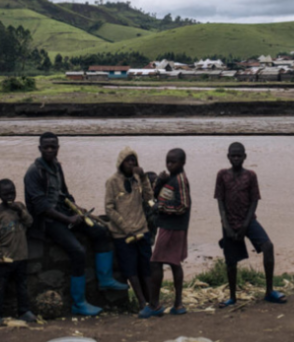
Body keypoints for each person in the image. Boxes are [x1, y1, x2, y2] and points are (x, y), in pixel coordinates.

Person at [24, 132, 127, 317]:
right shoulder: (33, 172)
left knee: (100, 232)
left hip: (63, 214)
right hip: (47, 221)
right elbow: (42, 207)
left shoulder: (56, 167)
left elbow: (64, 193)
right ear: (39, 149)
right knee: (77, 251)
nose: (49, 150)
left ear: (58, 148)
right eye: (46, 147)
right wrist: (68, 220)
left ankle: (105, 279)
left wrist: (76, 210)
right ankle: (78, 303)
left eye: (53, 146)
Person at [214, 142, 286, 308]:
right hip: (229, 222)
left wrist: (246, 224)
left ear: (245, 157)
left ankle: (269, 291)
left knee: (268, 246)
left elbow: (254, 200)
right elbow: (220, 202)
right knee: (231, 261)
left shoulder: (251, 175)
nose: (236, 158)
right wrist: (226, 226)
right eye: (233, 155)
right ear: (228, 157)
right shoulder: (222, 175)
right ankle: (232, 297)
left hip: (249, 220)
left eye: (239, 155)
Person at [105, 147, 154, 315]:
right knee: (130, 269)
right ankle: (141, 303)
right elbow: (109, 209)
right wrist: (126, 228)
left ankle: (153, 301)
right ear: (121, 163)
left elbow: (149, 198)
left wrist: (144, 177)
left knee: (146, 266)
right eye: (128, 160)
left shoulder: (137, 179)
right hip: (123, 234)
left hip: (142, 229)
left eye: (133, 160)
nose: (131, 163)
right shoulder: (112, 181)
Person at [144, 148, 191, 318]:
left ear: (182, 163)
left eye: (173, 162)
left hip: (173, 227)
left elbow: (183, 205)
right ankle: (177, 305)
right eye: (168, 161)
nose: (169, 165)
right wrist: (160, 182)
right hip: (167, 225)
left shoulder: (180, 180)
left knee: (156, 262)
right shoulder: (170, 179)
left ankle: (154, 305)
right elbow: (156, 196)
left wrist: (162, 207)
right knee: (174, 263)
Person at [0, 179, 36, 324]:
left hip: (21, 255)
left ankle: (24, 311)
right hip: (4, 257)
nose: (10, 196)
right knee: (0, 287)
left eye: (12, 192)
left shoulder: (20, 207)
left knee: (21, 285)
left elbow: (29, 222)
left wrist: (20, 211)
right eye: (6, 193)